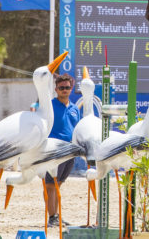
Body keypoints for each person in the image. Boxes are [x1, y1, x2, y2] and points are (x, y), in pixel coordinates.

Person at [45, 73, 81, 227]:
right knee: (50, 184)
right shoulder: (50, 106)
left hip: (70, 150)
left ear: (71, 89)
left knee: (58, 184)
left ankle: (57, 216)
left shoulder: (74, 108)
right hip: (54, 149)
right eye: (61, 88)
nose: (64, 90)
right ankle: (52, 217)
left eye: (67, 87)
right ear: (56, 89)